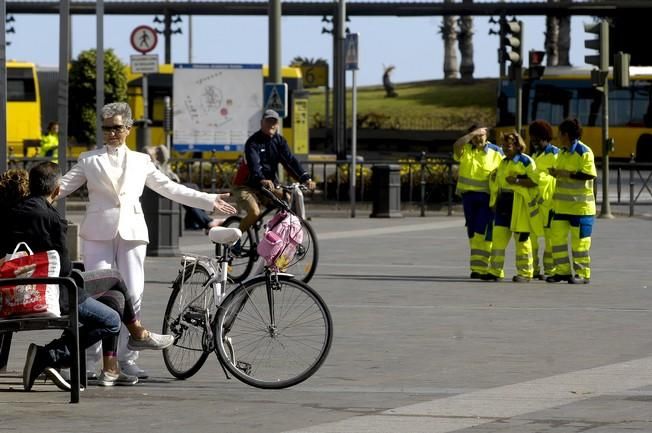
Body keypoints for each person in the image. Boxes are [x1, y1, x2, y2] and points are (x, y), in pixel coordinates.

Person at [56, 102, 236, 379]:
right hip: (97, 233)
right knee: (95, 296)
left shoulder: (141, 161)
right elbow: (59, 187)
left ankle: (128, 359)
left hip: (132, 232)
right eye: (106, 129)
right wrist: (21, 194)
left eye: (116, 128)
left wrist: (209, 200)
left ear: (128, 129)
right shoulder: (88, 160)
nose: (111, 134)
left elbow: (170, 188)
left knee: (134, 295)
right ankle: (90, 361)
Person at [0, 163, 175, 389]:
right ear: (56, 190)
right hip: (52, 291)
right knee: (112, 310)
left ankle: (113, 364)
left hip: (16, 289)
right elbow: (62, 267)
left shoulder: (12, 213)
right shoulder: (51, 218)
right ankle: (49, 355)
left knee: (115, 292)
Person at [233, 109, 315, 233]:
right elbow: (254, 165)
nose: (271, 125)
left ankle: (275, 234)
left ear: (277, 125)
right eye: (268, 121)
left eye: (274, 122)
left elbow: (290, 161)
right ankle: (234, 241)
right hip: (246, 186)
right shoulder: (253, 142)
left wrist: (306, 178)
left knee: (288, 200)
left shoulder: (279, 141)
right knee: (255, 213)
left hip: (268, 186)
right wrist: (262, 179)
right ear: (261, 123)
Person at [483, 131, 543, 282]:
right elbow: (498, 184)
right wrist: (494, 202)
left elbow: (535, 181)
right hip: (504, 203)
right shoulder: (503, 162)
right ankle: (495, 271)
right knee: (498, 239)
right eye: (503, 145)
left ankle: (525, 273)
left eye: (508, 146)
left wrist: (516, 181)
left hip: (519, 205)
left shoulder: (526, 161)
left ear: (517, 146)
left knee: (522, 241)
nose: (504, 149)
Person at [546, 118, 597, 284]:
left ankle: (582, 274)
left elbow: (589, 174)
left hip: (581, 208)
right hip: (561, 207)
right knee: (557, 241)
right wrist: (555, 173)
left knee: (580, 244)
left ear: (565, 135)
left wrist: (564, 173)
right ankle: (562, 272)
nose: (557, 137)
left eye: (559, 134)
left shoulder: (584, 152)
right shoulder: (561, 151)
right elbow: (560, 172)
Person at [452, 123, 504, 279]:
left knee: (483, 231)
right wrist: (471, 134)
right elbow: (456, 146)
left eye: (480, 135)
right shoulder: (466, 149)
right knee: (473, 232)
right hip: (468, 197)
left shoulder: (496, 152)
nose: (478, 139)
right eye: (475, 136)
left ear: (487, 135)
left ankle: (481, 267)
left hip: (487, 198)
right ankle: (477, 267)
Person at [144, 144, 222, 233]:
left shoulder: (160, 164)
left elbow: (167, 168)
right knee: (188, 195)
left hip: (169, 184)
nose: (157, 155)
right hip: (160, 192)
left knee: (193, 187)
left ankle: (194, 222)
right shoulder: (152, 165)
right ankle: (207, 222)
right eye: (155, 153)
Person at [528, 120, 559, 279]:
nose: (533, 142)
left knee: (550, 239)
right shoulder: (534, 155)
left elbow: (556, 178)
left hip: (550, 204)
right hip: (534, 204)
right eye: (532, 139)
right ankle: (533, 269)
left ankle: (550, 270)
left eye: (536, 139)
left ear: (545, 137)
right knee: (532, 237)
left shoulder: (556, 154)